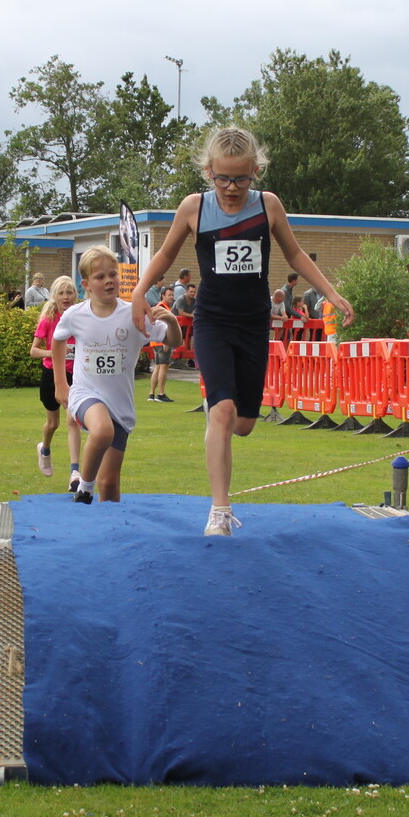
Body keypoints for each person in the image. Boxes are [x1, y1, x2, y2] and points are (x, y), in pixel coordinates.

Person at [130, 126, 352, 534]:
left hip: (253, 324)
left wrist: (331, 294)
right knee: (223, 411)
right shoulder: (193, 208)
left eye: (241, 178)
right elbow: (164, 253)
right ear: (208, 171)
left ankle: (221, 424)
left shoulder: (267, 206)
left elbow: (296, 254)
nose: (231, 187)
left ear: (256, 172)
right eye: (223, 178)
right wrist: (139, 292)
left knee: (245, 423)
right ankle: (220, 511)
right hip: (213, 321)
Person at [55, 248, 177, 503]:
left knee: (109, 484)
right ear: (86, 285)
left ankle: (110, 531)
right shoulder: (75, 315)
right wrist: (60, 385)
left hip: (120, 404)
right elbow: (58, 341)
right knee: (101, 431)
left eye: (113, 274)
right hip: (85, 394)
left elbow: (171, 340)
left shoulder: (133, 313)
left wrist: (173, 322)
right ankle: (85, 488)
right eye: (100, 277)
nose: (109, 280)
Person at [31, 275, 84, 487]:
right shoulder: (48, 320)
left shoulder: (81, 318)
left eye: (69, 293)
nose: (66, 297)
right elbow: (34, 351)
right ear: (55, 296)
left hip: (74, 376)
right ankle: (44, 449)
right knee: (53, 424)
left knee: (73, 420)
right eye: (61, 293)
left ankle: (75, 473)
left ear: (75, 295)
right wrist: (55, 352)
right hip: (51, 375)